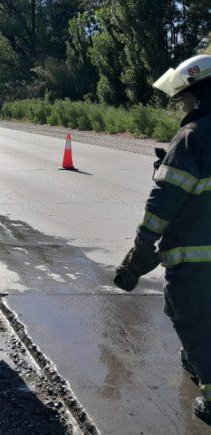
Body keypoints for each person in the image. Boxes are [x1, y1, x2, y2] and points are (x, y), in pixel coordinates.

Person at [114, 54, 211, 423]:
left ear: (199, 96)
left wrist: (140, 252)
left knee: (197, 322)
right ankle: (194, 364)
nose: (182, 105)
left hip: (197, 265)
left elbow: (161, 206)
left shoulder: (193, 138)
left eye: (184, 98)